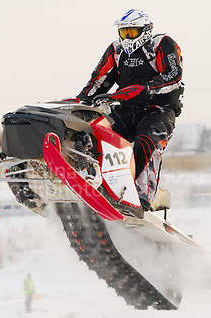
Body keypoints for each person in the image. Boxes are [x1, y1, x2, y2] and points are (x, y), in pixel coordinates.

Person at [76, 8, 184, 214]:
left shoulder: (162, 44)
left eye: (131, 32)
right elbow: (99, 80)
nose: (126, 37)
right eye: (123, 32)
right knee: (93, 133)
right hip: (125, 107)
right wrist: (82, 102)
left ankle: (142, 196)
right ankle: (92, 179)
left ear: (145, 30)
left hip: (158, 109)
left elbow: (174, 75)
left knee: (147, 143)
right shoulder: (116, 50)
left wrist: (149, 88)